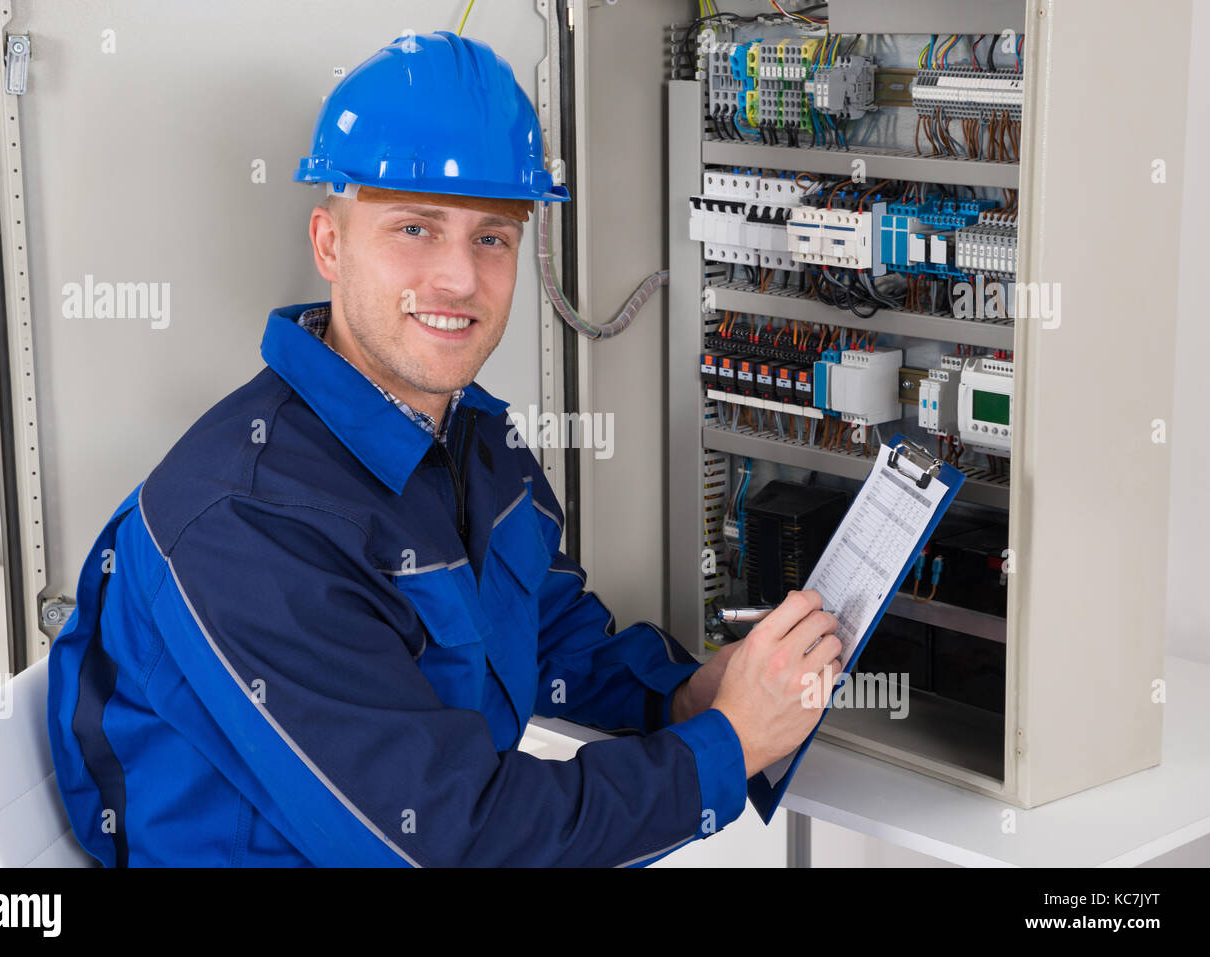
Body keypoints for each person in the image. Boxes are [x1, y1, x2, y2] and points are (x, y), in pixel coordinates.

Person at [47, 30, 843, 867]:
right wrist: (726, 748)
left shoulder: (468, 440)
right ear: (328, 243)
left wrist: (683, 697)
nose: (460, 279)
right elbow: (453, 844)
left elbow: (551, 635)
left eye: (491, 237)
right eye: (416, 229)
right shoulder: (245, 521)